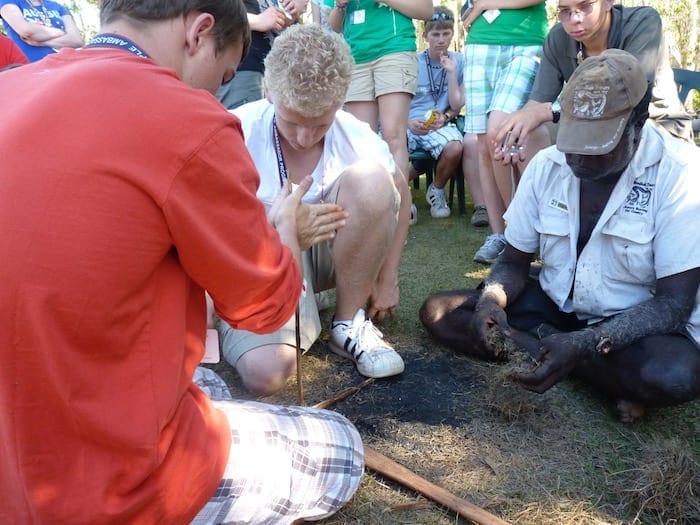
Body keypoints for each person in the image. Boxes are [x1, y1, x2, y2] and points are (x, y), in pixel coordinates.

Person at [0, 1, 364, 523]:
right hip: (102, 487)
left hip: (15, 450)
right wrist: (284, 235)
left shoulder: (11, 87)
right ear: (199, 31)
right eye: (221, 77)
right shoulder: (188, 121)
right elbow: (262, 308)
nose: (217, 94)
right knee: (342, 447)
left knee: (207, 384)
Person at [420, 50, 700, 423]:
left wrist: (586, 341)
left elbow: (673, 305)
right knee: (440, 312)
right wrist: (491, 298)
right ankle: (586, 369)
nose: (579, 159)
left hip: (637, 328)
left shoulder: (682, 174)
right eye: (573, 139)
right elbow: (514, 262)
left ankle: (551, 351)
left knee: (674, 375)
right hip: (558, 305)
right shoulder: (547, 164)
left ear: (638, 120)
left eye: (597, 145)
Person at [217, 23, 410, 395]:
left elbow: (397, 194)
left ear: (339, 102)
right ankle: (301, 307)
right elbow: (210, 228)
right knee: (265, 373)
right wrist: (279, 229)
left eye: (320, 124)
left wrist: (388, 279)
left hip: (329, 254)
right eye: (292, 122)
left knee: (373, 180)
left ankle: (347, 322)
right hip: (261, 262)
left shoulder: (356, 135)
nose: (304, 138)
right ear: (268, 91)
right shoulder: (235, 131)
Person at [496, 0, 693, 158]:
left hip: (654, 123)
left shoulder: (643, 23)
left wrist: (548, 111)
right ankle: (532, 206)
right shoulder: (558, 38)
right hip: (589, 127)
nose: (575, 18)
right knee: (528, 135)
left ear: (608, 2)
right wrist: (514, 127)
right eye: (565, 11)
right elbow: (537, 103)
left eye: (585, 6)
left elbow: (626, 96)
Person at [460, 0, 551, 265]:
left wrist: (484, 4)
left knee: (499, 131)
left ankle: (521, 231)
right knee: (483, 145)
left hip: (524, 44)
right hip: (478, 44)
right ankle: (500, 235)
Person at [328, 0, 432, 182]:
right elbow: (335, 26)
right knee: (361, 142)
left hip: (394, 50)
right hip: (356, 58)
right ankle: (372, 205)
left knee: (393, 136)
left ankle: (400, 209)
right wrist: (339, 5)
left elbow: (426, 10)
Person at [407, 5, 486, 225]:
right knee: (390, 144)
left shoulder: (460, 61)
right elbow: (399, 100)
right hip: (410, 123)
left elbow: (456, 103)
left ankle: (437, 190)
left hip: (440, 125)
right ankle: (397, 191)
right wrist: (407, 121)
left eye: (446, 33)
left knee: (455, 146)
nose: (441, 39)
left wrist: (451, 74)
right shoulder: (413, 62)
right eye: (435, 34)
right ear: (425, 35)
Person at [215, 0, 307, 110]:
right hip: (244, 69)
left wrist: (288, 12)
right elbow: (211, 11)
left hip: (274, 72)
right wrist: (257, 20)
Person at [0, 0, 83, 62]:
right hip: (31, 68)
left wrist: (41, 42)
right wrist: (61, 33)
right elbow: (26, 31)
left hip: (65, 64)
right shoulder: (8, 2)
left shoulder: (57, 6)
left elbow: (76, 40)